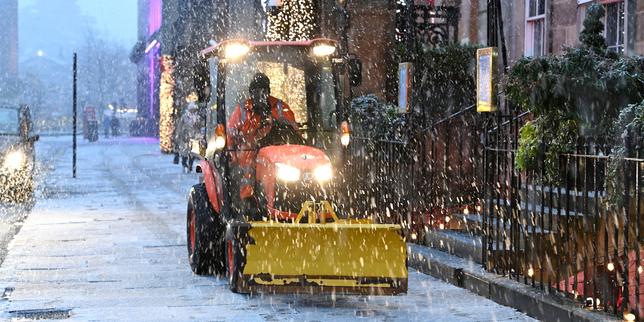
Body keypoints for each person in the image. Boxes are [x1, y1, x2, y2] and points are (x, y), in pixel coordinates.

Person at [226, 72, 299, 209]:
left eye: (264, 90)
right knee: (246, 160)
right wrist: (233, 152)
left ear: (268, 91)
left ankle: (293, 200)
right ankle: (247, 200)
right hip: (251, 150)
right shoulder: (243, 110)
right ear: (251, 93)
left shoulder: (279, 107)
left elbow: (295, 129)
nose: (260, 94)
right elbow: (230, 133)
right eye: (256, 91)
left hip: (277, 150)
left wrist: (279, 122)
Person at [176, 92, 203, 173]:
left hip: (194, 137)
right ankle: (184, 165)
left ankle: (190, 166)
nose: (193, 111)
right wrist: (179, 134)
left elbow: (200, 126)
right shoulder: (184, 117)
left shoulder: (197, 117)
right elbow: (180, 126)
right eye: (192, 109)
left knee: (193, 153)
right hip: (185, 137)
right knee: (184, 153)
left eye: (194, 110)